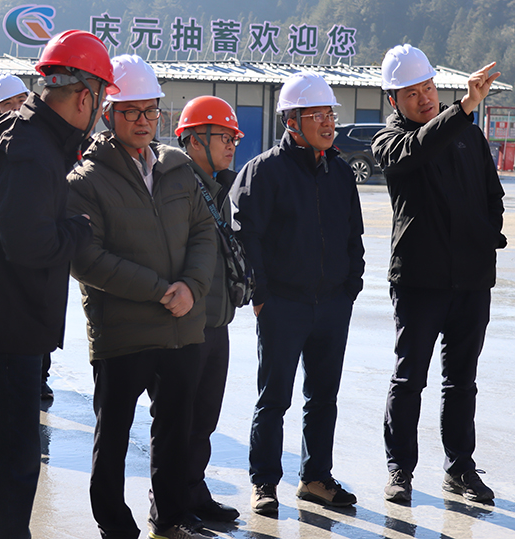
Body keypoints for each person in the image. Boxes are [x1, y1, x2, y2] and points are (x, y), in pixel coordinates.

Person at [0, 30, 116, 539]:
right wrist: (77, 228)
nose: (101, 113)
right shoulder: (33, 151)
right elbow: (30, 245)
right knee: (10, 467)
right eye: (103, 101)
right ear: (85, 97)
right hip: (4, 329)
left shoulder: (20, 129)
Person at [67, 54, 218, 539]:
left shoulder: (177, 166)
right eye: (131, 111)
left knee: (175, 430)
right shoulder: (86, 180)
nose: (143, 121)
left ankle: (170, 518)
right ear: (107, 113)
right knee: (113, 433)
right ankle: (114, 524)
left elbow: (204, 232)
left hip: (181, 327)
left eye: (150, 110)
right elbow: (87, 259)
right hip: (123, 332)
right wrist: (160, 291)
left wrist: (191, 286)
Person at [370, 44, 505, 505]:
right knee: (410, 379)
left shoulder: (469, 136)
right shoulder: (390, 140)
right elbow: (420, 148)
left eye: (428, 87)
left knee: (462, 381)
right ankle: (399, 470)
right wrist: (464, 108)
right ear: (394, 100)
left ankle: (460, 467)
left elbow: (492, 194)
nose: (424, 98)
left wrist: (487, 236)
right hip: (419, 281)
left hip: (471, 279)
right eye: (411, 93)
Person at [231, 72, 365, 514]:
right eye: (317, 114)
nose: (328, 122)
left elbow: (354, 234)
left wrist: (350, 286)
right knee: (274, 399)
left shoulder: (340, 172)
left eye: (330, 114)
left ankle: (316, 479)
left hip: (332, 304)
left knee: (323, 398)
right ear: (292, 121)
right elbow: (245, 235)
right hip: (283, 305)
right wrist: (261, 295)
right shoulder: (264, 171)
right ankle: (264, 482)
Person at [174, 96, 245, 526]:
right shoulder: (177, 184)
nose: (232, 144)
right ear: (195, 139)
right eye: (224, 136)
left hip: (217, 320)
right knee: (178, 421)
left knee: (203, 420)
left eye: (234, 137)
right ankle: (171, 505)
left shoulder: (220, 187)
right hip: (186, 323)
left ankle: (194, 492)